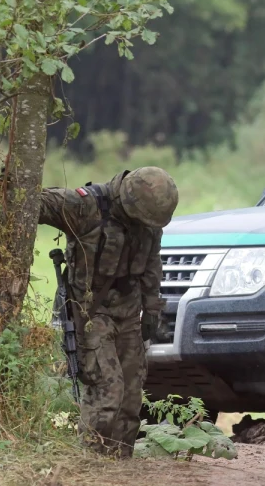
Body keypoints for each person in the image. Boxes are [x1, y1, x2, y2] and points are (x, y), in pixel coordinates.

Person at [40, 167, 179, 457]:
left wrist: (152, 309)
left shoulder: (148, 221)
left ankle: (120, 461)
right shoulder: (86, 206)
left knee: (131, 394)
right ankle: (94, 459)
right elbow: (35, 202)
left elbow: (151, 263)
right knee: (108, 390)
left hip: (129, 313)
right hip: (90, 314)